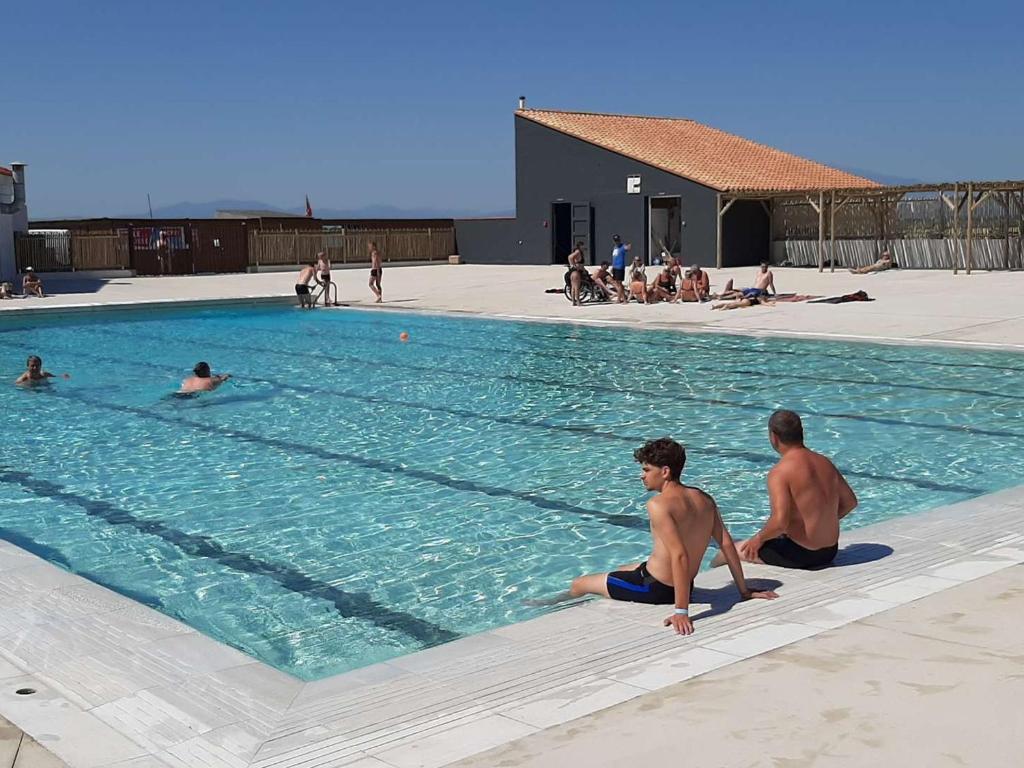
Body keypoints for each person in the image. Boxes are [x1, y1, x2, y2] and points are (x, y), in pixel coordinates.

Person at [568, 438, 777, 634]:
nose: (642, 476)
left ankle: (556, 605)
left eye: (647, 470)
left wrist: (681, 611)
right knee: (624, 568)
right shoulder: (704, 499)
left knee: (579, 583)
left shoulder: (658, 505)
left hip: (654, 588)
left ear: (665, 471)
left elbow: (680, 555)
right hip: (681, 583)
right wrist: (743, 590)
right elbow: (726, 544)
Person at [714, 410, 857, 570]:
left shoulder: (780, 472)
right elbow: (850, 502)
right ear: (801, 433)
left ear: (774, 437)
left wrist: (757, 539)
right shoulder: (825, 462)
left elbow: (779, 522)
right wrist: (820, 524)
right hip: (830, 551)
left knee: (729, 551)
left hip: (801, 554)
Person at [566, 241, 587, 306]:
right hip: (576, 271)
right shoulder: (578, 251)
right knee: (577, 287)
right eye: (583, 246)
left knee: (573, 287)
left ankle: (573, 302)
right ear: (580, 246)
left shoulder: (579, 252)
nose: (584, 247)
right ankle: (578, 302)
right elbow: (570, 257)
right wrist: (573, 265)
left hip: (573, 271)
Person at [610, 235, 629, 303]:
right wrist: (612, 266)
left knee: (620, 283)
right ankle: (621, 299)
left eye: (617, 240)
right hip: (615, 267)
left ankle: (623, 299)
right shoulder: (615, 247)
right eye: (615, 240)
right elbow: (614, 258)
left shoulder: (622, 246)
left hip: (620, 267)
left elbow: (627, 248)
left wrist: (627, 246)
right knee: (618, 284)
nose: (616, 242)